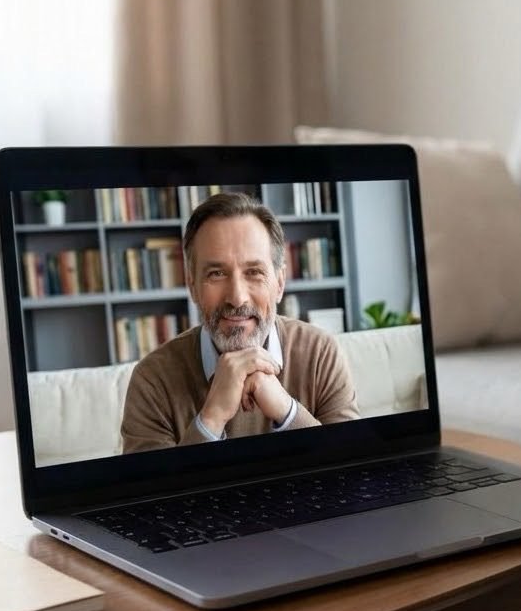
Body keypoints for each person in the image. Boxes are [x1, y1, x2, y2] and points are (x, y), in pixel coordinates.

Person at [121, 192, 359, 453]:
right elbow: (154, 491)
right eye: (217, 273)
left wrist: (287, 411)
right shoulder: (152, 380)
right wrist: (211, 418)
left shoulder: (320, 354)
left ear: (279, 283)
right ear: (192, 286)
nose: (237, 298)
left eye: (254, 272)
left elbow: (353, 473)